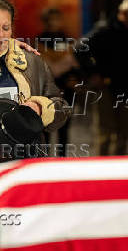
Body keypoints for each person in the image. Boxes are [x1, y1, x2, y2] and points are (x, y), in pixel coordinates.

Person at [0, 0, 70, 160]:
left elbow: (62, 108)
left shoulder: (32, 62)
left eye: (6, 28)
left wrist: (40, 108)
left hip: (25, 159)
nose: (0, 35)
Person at [77, 0, 128, 156]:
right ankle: (102, 170)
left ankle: (119, 170)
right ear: (122, 13)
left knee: (124, 132)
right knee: (105, 131)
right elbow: (79, 48)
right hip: (106, 88)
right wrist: (93, 73)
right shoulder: (105, 30)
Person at [37, 8, 80, 156]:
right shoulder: (39, 40)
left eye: (57, 19)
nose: (55, 22)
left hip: (65, 88)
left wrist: (73, 79)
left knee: (64, 126)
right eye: (52, 19)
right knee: (46, 125)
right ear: (46, 21)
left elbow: (73, 64)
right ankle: (45, 158)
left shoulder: (66, 40)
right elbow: (38, 65)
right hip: (46, 90)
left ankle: (62, 159)